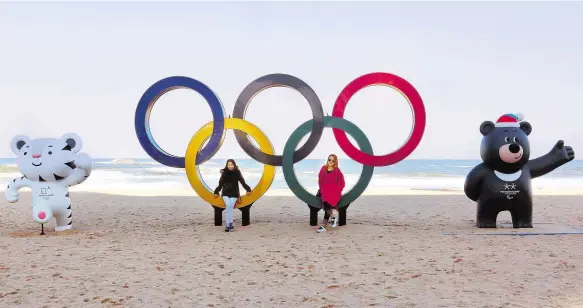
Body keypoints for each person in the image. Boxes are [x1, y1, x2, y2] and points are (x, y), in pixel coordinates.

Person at [213, 159, 251, 232]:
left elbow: (242, 182)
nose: (230, 166)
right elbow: (220, 184)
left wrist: (248, 189)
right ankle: (229, 224)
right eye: (229, 165)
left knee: (230, 206)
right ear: (227, 166)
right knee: (228, 205)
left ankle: (229, 225)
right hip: (225, 193)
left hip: (234, 194)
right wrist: (216, 191)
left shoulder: (237, 172)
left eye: (231, 165)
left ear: (234, 165)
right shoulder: (224, 173)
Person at [316, 154, 345, 233]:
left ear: (335, 161)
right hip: (324, 191)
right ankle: (332, 218)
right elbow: (320, 179)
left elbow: (342, 183)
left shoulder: (337, 170)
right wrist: (322, 188)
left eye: (333, 160)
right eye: (329, 160)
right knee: (326, 203)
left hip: (334, 192)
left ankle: (324, 226)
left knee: (326, 204)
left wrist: (338, 189)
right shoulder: (323, 168)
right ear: (327, 160)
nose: (331, 162)